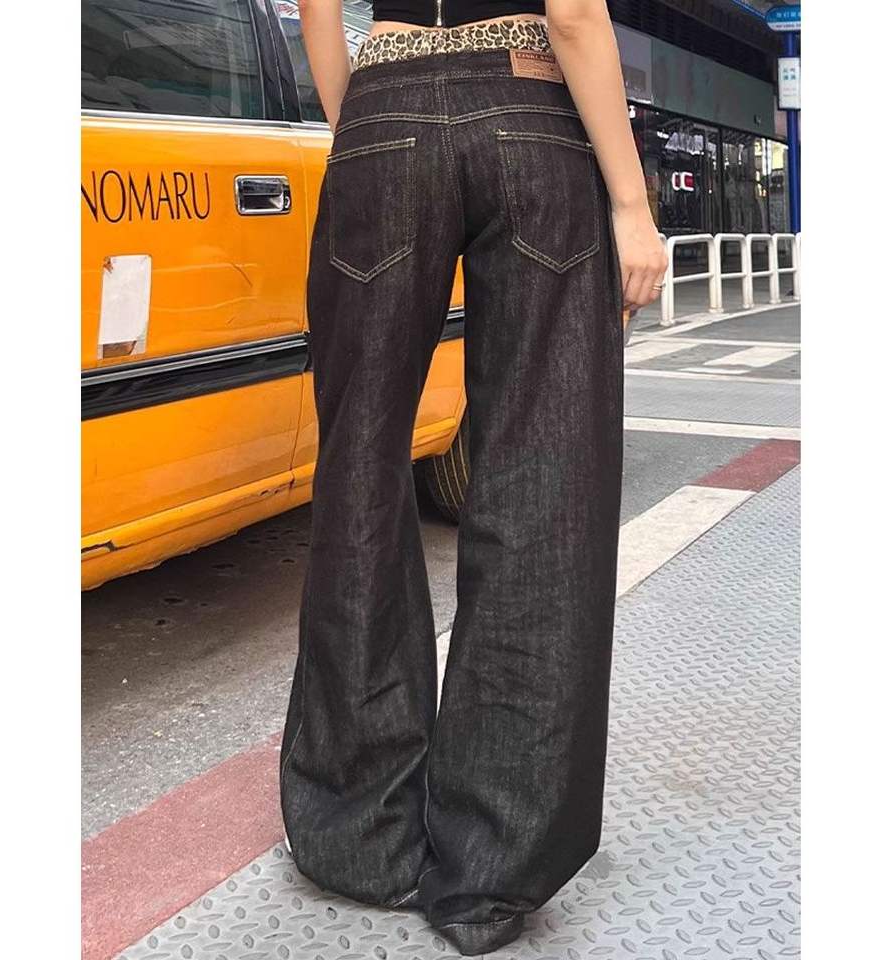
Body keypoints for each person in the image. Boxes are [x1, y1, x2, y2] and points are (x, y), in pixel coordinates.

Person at [279, 0, 667, 954]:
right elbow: (572, 15)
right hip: (528, 110)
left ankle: (359, 834)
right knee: (542, 474)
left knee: (359, 470)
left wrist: (370, 128)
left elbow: (318, 10)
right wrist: (630, 204)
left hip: (380, 108)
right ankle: (491, 864)